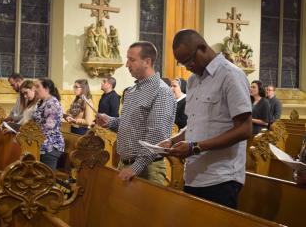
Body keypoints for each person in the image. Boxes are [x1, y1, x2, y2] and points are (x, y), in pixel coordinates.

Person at [162, 29, 252, 209]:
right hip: (194, 176)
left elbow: (245, 129)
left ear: (202, 48)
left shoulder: (230, 75)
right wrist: (171, 142)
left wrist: (195, 147)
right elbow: (195, 125)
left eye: (189, 60)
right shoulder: (194, 80)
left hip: (221, 178)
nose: (187, 66)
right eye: (182, 62)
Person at [96, 41, 177, 185]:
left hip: (147, 169)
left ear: (147, 62)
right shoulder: (133, 91)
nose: (127, 64)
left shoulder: (161, 91)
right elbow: (128, 123)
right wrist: (110, 121)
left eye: (131, 60)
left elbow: (157, 135)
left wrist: (136, 167)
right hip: (126, 164)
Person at [32, 78, 64, 170]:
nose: (34, 89)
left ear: (46, 89)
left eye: (37, 86)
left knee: (46, 180)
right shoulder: (42, 102)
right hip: (41, 143)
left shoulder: (52, 103)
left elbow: (48, 127)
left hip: (50, 146)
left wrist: (29, 134)